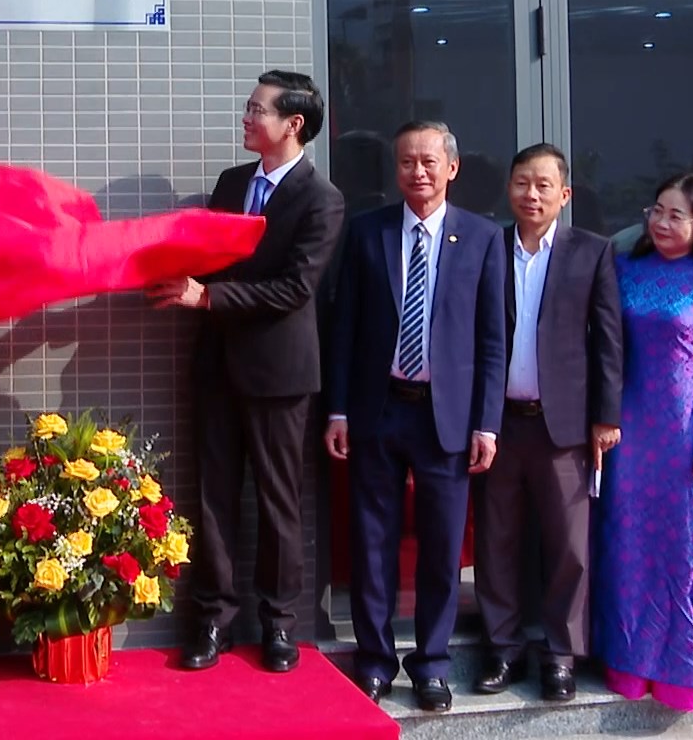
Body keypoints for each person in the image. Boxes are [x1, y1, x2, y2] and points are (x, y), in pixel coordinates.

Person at [148, 70, 345, 673]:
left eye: (257, 110)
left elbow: (294, 288)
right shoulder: (233, 183)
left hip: (280, 375)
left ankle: (280, 626)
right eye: (247, 106)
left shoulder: (322, 199)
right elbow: (209, 257)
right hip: (216, 367)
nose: (246, 117)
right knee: (213, 501)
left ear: (293, 125)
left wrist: (205, 298)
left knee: (278, 503)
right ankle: (212, 621)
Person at [326, 120, 506, 713]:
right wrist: (340, 409)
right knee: (372, 543)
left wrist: (487, 422)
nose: (418, 172)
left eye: (429, 162)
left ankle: (431, 665)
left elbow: (490, 341)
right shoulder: (367, 232)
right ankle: (375, 661)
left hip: (446, 420)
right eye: (407, 162)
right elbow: (345, 329)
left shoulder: (481, 238)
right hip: (379, 412)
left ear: (451, 167)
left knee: (441, 548)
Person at [472, 145, 623, 703]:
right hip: (500, 423)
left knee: (569, 546)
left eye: (542, 185)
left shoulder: (593, 252)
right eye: (521, 183)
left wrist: (607, 416)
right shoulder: (488, 247)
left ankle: (560, 654)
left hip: (565, 427)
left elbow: (608, 341)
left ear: (565, 194)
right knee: (497, 540)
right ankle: (502, 648)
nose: (530, 195)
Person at [593, 172, 693, 710]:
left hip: (688, 446)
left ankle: (689, 675)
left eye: (676, 214)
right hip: (629, 440)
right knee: (627, 549)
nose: (660, 222)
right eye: (656, 210)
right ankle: (627, 666)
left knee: (688, 554)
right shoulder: (624, 270)